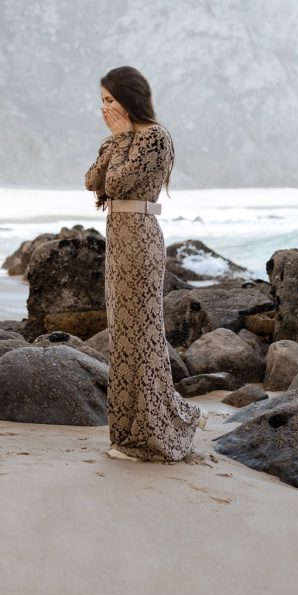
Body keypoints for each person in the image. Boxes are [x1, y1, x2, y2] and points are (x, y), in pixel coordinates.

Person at [84, 67, 205, 461]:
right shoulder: (119, 141)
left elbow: (117, 183)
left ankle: (156, 431)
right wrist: (116, 142)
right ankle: (127, 434)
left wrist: (119, 140)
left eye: (110, 100)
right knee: (122, 336)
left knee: (143, 334)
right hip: (118, 239)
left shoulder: (154, 137)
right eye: (102, 101)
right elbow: (92, 181)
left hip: (140, 238)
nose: (105, 109)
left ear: (129, 98)